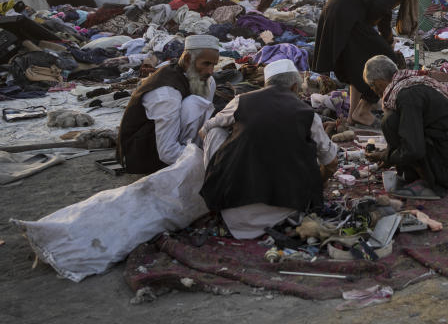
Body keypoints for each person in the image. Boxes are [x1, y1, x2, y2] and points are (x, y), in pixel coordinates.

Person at [199, 59, 338, 239]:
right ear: (295, 87)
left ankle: (216, 200)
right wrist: (319, 182)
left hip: (233, 214)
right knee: (316, 150)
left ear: (265, 85)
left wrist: (236, 143)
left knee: (216, 133)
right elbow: (332, 163)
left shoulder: (241, 101)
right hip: (287, 214)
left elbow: (204, 131)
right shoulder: (308, 114)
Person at [312, 0, 426, 126]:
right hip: (348, 15)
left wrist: (386, 38)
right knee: (387, 60)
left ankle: (353, 115)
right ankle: (363, 110)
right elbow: (380, 8)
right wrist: (381, 38)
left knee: (357, 64)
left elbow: (383, 10)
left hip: (336, 10)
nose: (416, 0)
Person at [363, 56, 448, 198]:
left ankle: (426, 182)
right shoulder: (409, 84)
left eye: (373, 87)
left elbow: (413, 149)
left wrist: (387, 157)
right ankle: (419, 174)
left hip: (447, 169)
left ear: (379, 82)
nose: (376, 92)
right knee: (394, 120)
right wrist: (389, 155)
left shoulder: (407, 94)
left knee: (389, 121)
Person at [116, 34, 219, 174]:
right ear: (188, 59)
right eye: (206, 64)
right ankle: (193, 155)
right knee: (193, 105)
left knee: (209, 85)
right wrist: (210, 161)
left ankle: (195, 152)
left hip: (168, 144)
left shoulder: (205, 79)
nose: (210, 71)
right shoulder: (166, 93)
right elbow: (167, 152)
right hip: (143, 155)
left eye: (214, 65)